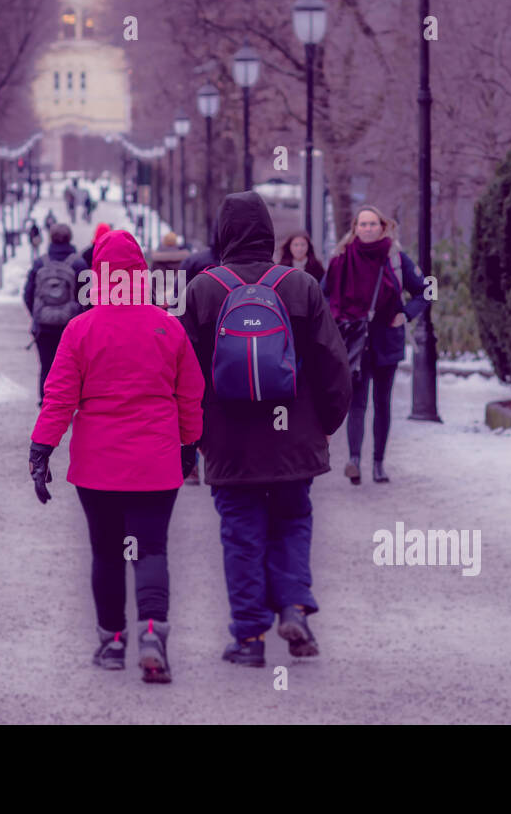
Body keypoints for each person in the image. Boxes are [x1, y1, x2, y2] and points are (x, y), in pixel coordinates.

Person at [182, 190, 352, 668]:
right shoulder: (299, 286)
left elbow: (186, 374)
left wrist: (193, 438)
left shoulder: (203, 290)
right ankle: (295, 607)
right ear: (267, 232)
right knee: (293, 522)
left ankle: (249, 637)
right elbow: (334, 365)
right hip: (294, 437)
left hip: (230, 443)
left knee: (241, 533)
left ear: (224, 234)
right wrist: (325, 424)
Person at [29, 229, 204, 683]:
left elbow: (59, 397)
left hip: (98, 466)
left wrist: (41, 451)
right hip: (156, 463)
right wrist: (190, 447)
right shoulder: (168, 326)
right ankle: (151, 633)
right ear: (140, 274)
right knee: (150, 550)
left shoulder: (80, 329)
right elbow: (191, 396)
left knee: (106, 553)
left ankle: (111, 641)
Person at [322, 204, 427, 485]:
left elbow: (424, 291)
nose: (367, 228)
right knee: (356, 403)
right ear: (355, 228)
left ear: (382, 227)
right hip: (354, 341)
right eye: (362, 224)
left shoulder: (395, 258)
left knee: (382, 403)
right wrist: (333, 324)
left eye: (373, 224)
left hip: (385, 339)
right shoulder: (341, 258)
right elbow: (322, 295)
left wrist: (405, 314)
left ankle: (378, 463)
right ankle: (354, 460)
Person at [23, 224, 89, 406]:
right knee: (70, 369)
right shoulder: (78, 264)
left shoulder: (40, 263)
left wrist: (38, 315)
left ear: (51, 238)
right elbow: (87, 297)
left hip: (43, 327)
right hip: (70, 327)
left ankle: (46, 402)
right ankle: (67, 404)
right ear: (70, 238)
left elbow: (28, 294)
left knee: (46, 366)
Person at [148, 231, 190, 308]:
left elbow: (152, 281)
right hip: (177, 299)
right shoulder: (183, 260)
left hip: (160, 299)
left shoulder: (157, 261)